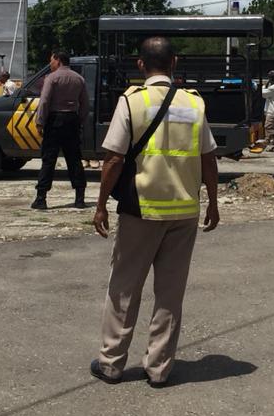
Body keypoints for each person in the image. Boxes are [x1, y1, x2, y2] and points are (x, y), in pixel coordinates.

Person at [90, 36, 219, 387]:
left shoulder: (133, 101)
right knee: (170, 292)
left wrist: (100, 204)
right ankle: (159, 369)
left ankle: (112, 363)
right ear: (175, 63)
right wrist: (213, 201)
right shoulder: (194, 104)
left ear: (141, 66)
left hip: (140, 211)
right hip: (184, 212)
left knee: (124, 289)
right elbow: (208, 158)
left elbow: (114, 158)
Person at [33, 50, 89, 210]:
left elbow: (44, 101)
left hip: (55, 120)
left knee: (49, 160)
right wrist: (80, 121)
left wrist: (40, 122)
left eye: (51, 60)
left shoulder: (52, 78)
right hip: (72, 120)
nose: (50, 64)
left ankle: (41, 198)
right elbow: (85, 104)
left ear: (58, 60)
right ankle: (80, 198)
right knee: (74, 159)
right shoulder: (79, 79)